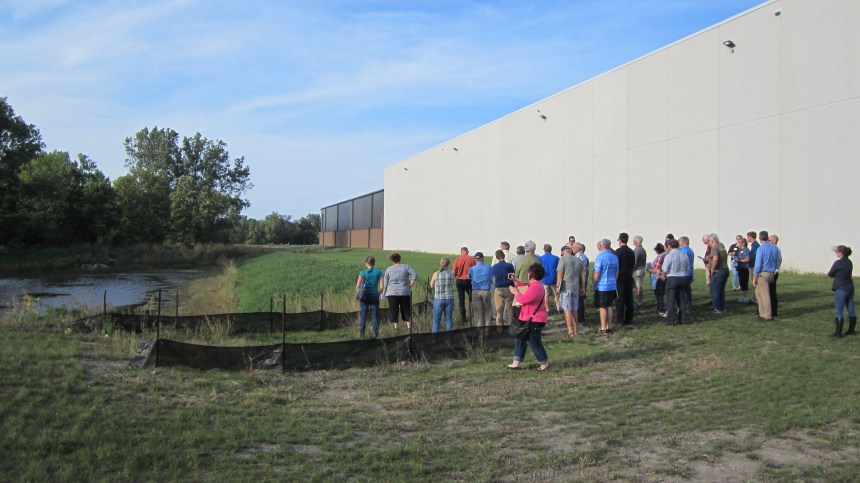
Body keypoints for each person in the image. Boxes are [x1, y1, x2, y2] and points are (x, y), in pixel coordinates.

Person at [505, 263, 550, 371]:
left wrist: (515, 292)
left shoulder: (536, 286)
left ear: (531, 274)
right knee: (520, 338)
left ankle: (544, 363)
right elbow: (524, 287)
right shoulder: (535, 285)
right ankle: (516, 362)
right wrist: (515, 280)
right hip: (527, 317)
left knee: (533, 341)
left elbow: (524, 299)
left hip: (534, 318)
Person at [382, 252, 418, 331]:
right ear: (400, 259)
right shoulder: (406, 267)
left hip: (391, 293)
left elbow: (386, 282)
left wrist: (384, 292)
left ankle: (396, 329)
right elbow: (414, 274)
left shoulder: (389, 269)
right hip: (404, 292)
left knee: (393, 310)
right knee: (406, 309)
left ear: (392, 260)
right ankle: (409, 328)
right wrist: (411, 283)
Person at [556, 245, 585, 336]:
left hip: (566, 287)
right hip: (576, 287)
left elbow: (560, 274)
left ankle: (570, 330)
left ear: (562, 252)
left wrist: (557, 286)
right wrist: (583, 287)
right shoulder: (579, 260)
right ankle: (576, 329)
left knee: (567, 309)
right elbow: (583, 276)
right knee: (574, 309)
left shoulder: (563, 259)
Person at [828, 245, 856, 338]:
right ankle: (851, 330)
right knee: (851, 309)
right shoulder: (849, 262)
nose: (836, 253)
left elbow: (830, 274)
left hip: (841, 288)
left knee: (839, 311)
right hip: (850, 287)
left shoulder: (838, 262)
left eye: (837, 251)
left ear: (841, 253)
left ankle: (838, 332)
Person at [752, 231, 781, 321]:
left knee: (765, 295)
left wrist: (755, 275)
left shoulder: (761, 249)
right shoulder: (775, 248)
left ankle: (767, 315)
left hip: (763, 273)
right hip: (772, 272)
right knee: (758, 292)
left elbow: (758, 264)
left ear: (760, 239)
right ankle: (762, 313)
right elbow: (778, 261)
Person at [662, 239, 691, 326]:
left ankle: (671, 320)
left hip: (672, 277)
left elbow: (665, 269)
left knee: (670, 299)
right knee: (681, 299)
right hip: (683, 277)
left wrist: (663, 275)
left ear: (669, 246)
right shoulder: (684, 254)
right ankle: (682, 318)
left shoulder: (669, 255)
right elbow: (688, 268)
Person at [593, 239, 619, 334]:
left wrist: (594, 283)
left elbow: (597, 272)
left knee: (602, 306)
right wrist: (614, 282)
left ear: (602, 246)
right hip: (612, 284)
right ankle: (609, 326)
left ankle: (603, 327)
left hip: (602, 285)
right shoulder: (614, 257)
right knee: (609, 305)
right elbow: (617, 272)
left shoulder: (600, 257)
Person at [356, 256, 383, 338]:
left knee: (363, 314)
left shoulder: (362, 273)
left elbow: (357, 286)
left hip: (364, 296)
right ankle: (375, 334)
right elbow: (382, 287)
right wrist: (378, 293)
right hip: (374, 296)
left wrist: (359, 293)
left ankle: (361, 333)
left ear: (366, 263)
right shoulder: (379, 272)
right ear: (374, 263)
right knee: (374, 315)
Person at [429, 257, 455, 334]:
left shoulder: (436, 274)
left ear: (441, 263)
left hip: (438, 299)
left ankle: (434, 339)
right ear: (449, 264)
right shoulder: (452, 273)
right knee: (448, 319)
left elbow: (431, 285)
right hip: (449, 298)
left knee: (436, 321)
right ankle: (449, 339)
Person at [615, 233, 636, 325]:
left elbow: (617, 266)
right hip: (629, 276)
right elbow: (633, 265)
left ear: (620, 240)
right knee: (629, 299)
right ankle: (629, 318)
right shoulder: (632, 252)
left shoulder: (618, 252)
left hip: (620, 277)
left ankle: (620, 319)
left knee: (620, 299)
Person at [468, 252, 493, 327]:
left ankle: (479, 330)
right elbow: (492, 278)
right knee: (488, 311)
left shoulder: (472, 268)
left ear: (475, 259)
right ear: (483, 258)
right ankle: (488, 329)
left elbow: (469, 277)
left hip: (476, 291)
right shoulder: (489, 267)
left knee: (477, 312)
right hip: (486, 290)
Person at [491, 249, 515, 326]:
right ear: (504, 256)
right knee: (509, 308)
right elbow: (513, 275)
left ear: (497, 258)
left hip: (498, 289)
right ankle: (511, 325)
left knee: (499, 310)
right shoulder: (509, 266)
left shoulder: (494, 267)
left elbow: (493, 278)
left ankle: (499, 328)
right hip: (509, 288)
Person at [452, 247, 476, 324]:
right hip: (468, 281)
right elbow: (475, 270)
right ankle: (473, 316)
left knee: (461, 300)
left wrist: (456, 276)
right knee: (473, 299)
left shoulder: (457, 259)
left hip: (459, 281)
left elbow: (454, 271)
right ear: (467, 252)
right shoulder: (471, 259)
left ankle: (463, 318)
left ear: (461, 252)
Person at [707, 234, 729, 314]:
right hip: (725, 270)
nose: (708, 243)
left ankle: (717, 308)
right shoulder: (721, 246)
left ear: (712, 241)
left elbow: (715, 259)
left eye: (709, 241)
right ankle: (722, 307)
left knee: (715, 290)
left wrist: (712, 269)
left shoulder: (714, 247)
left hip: (719, 271)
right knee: (721, 290)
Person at [539, 244, 560, 313]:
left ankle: (547, 309)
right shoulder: (556, 258)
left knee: (546, 295)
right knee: (556, 294)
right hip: (554, 279)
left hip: (544, 279)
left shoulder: (541, 258)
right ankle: (558, 308)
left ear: (544, 250)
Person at [678, 236, 695, 311]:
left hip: (685, 273)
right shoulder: (690, 250)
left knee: (683, 291)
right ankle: (688, 305)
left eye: (679, 242)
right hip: (690, 272)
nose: (679, 243)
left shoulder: (683, 251)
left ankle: (685, 306)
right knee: (688, 290)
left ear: (683, 242)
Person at [575, 242, 590, 324]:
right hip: (580, 280)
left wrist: (583, 286)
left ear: (578, 248)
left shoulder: (580, 258)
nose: (572, 249)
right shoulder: (579, 257)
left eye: (574, 247)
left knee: (579, 299)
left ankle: (580, 318)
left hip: (580, 280)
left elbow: (583, 272)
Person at [650, 243, 667, 315]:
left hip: (658, 277)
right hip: (663, 277)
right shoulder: (666, 255)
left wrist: (650, 270)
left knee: (659, 294)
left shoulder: (660, 256)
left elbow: (657, 269)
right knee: (661, 294)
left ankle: (660, 309)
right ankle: (661, 307)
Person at [734, 238, 752, 303]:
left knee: (744, 283)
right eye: (738, 242)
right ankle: (744, 296)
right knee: (741, 283)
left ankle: (746, 297)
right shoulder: (739, 250)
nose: (738, 243)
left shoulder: (746, 250)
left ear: (743, 243)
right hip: (740, 268)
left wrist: (739, 260)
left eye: (740, 242)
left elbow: (747, 259)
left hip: (744, 268)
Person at [632, 235, 647, 311]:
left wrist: (632, 270)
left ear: (636, 241)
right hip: (643, 269)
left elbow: (635, 262)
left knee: (638, 287)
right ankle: (640, 301)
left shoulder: (636, 250)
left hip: (637, 271)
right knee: (640, 286)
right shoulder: (643, 249)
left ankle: (639, 302)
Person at [769, 234, 782, 317]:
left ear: (774, 241)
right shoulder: (774, 249)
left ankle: (773, 311)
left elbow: (779, 261)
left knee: (771, 292)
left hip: (773, 272)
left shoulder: (775, 249)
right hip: (773, 271)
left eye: (769, 240)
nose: (768, 241)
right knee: (771, 292)